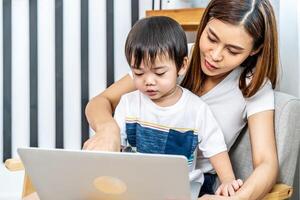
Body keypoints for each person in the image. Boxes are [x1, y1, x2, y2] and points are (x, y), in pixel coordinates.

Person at [83, 0, 279, 199]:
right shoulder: (171, 57)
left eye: (233, 50)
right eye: (211, 38)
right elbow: (100, 102)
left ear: (255, 49)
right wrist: (109, 129)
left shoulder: (253, 84)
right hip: (137, 178)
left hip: (190, 185)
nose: (215, 55)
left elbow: (267, 163)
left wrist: (236, 198)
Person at [114, 16, 243, 197]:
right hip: (136, 188)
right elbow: (113, 149)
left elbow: (216, 149)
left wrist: (228, 180)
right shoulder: (128, 104)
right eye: (138, 73)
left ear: (182, 66)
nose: (149, 81)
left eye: (159, 73)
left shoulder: (196, 109)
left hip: (180, 191)